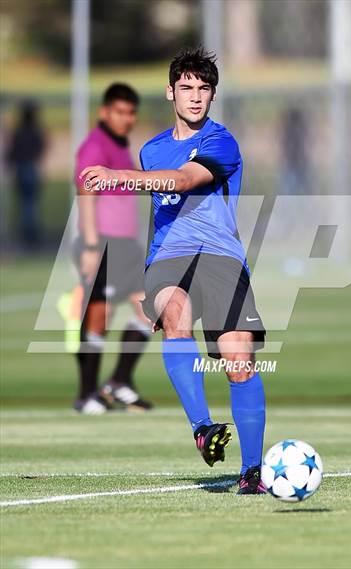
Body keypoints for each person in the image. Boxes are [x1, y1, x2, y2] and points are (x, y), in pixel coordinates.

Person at [81, 49, 266, 494]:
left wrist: (116, 176)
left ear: (213, 95)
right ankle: (203, 428)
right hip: (169, 258)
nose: (196, 96)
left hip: (221, 257)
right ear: (170, 92)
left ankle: (252, 473)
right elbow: (163, 210)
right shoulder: (152, 149)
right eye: (186, 87)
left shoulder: (222, 142)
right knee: (175, 314)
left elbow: (182, 180)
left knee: (239, 362)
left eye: (204, 89)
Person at [74, 83, 153, 415]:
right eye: (120, 111)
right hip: (102, 243)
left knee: (148, 313)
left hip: (125, 246)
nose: (127, 118)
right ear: (105, 112)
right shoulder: (95, 145)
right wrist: (91, 246)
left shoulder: (120, 145)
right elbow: (87, 195)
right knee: (98, 317)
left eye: (131, 112)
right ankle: (87, 394)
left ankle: (119, 381)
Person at [6, 100, 46, 248]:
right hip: (30, 169)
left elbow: (12, 152)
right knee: (30, 204)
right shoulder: (34, 131)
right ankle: (30, 233)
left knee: (26, 204)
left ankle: (29, 233)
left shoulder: (20, 132)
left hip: (24, 169)